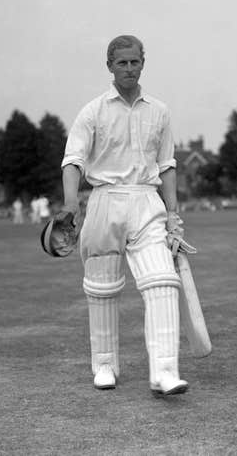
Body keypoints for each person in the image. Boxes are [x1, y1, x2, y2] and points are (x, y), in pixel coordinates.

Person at [60, 35, 191, 395]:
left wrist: (174, 213)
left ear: (143, 63)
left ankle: (164, 372)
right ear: (109, 66)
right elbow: (73, 161)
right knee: (102, 290)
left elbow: (167, 165)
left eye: (135, 62)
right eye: (122, 63)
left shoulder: (160, 111)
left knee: (163, 281)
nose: (129, 69)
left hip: (148, 202)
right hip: (104, 202)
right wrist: (71, 204)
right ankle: (104, 365)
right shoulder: (93, 112)